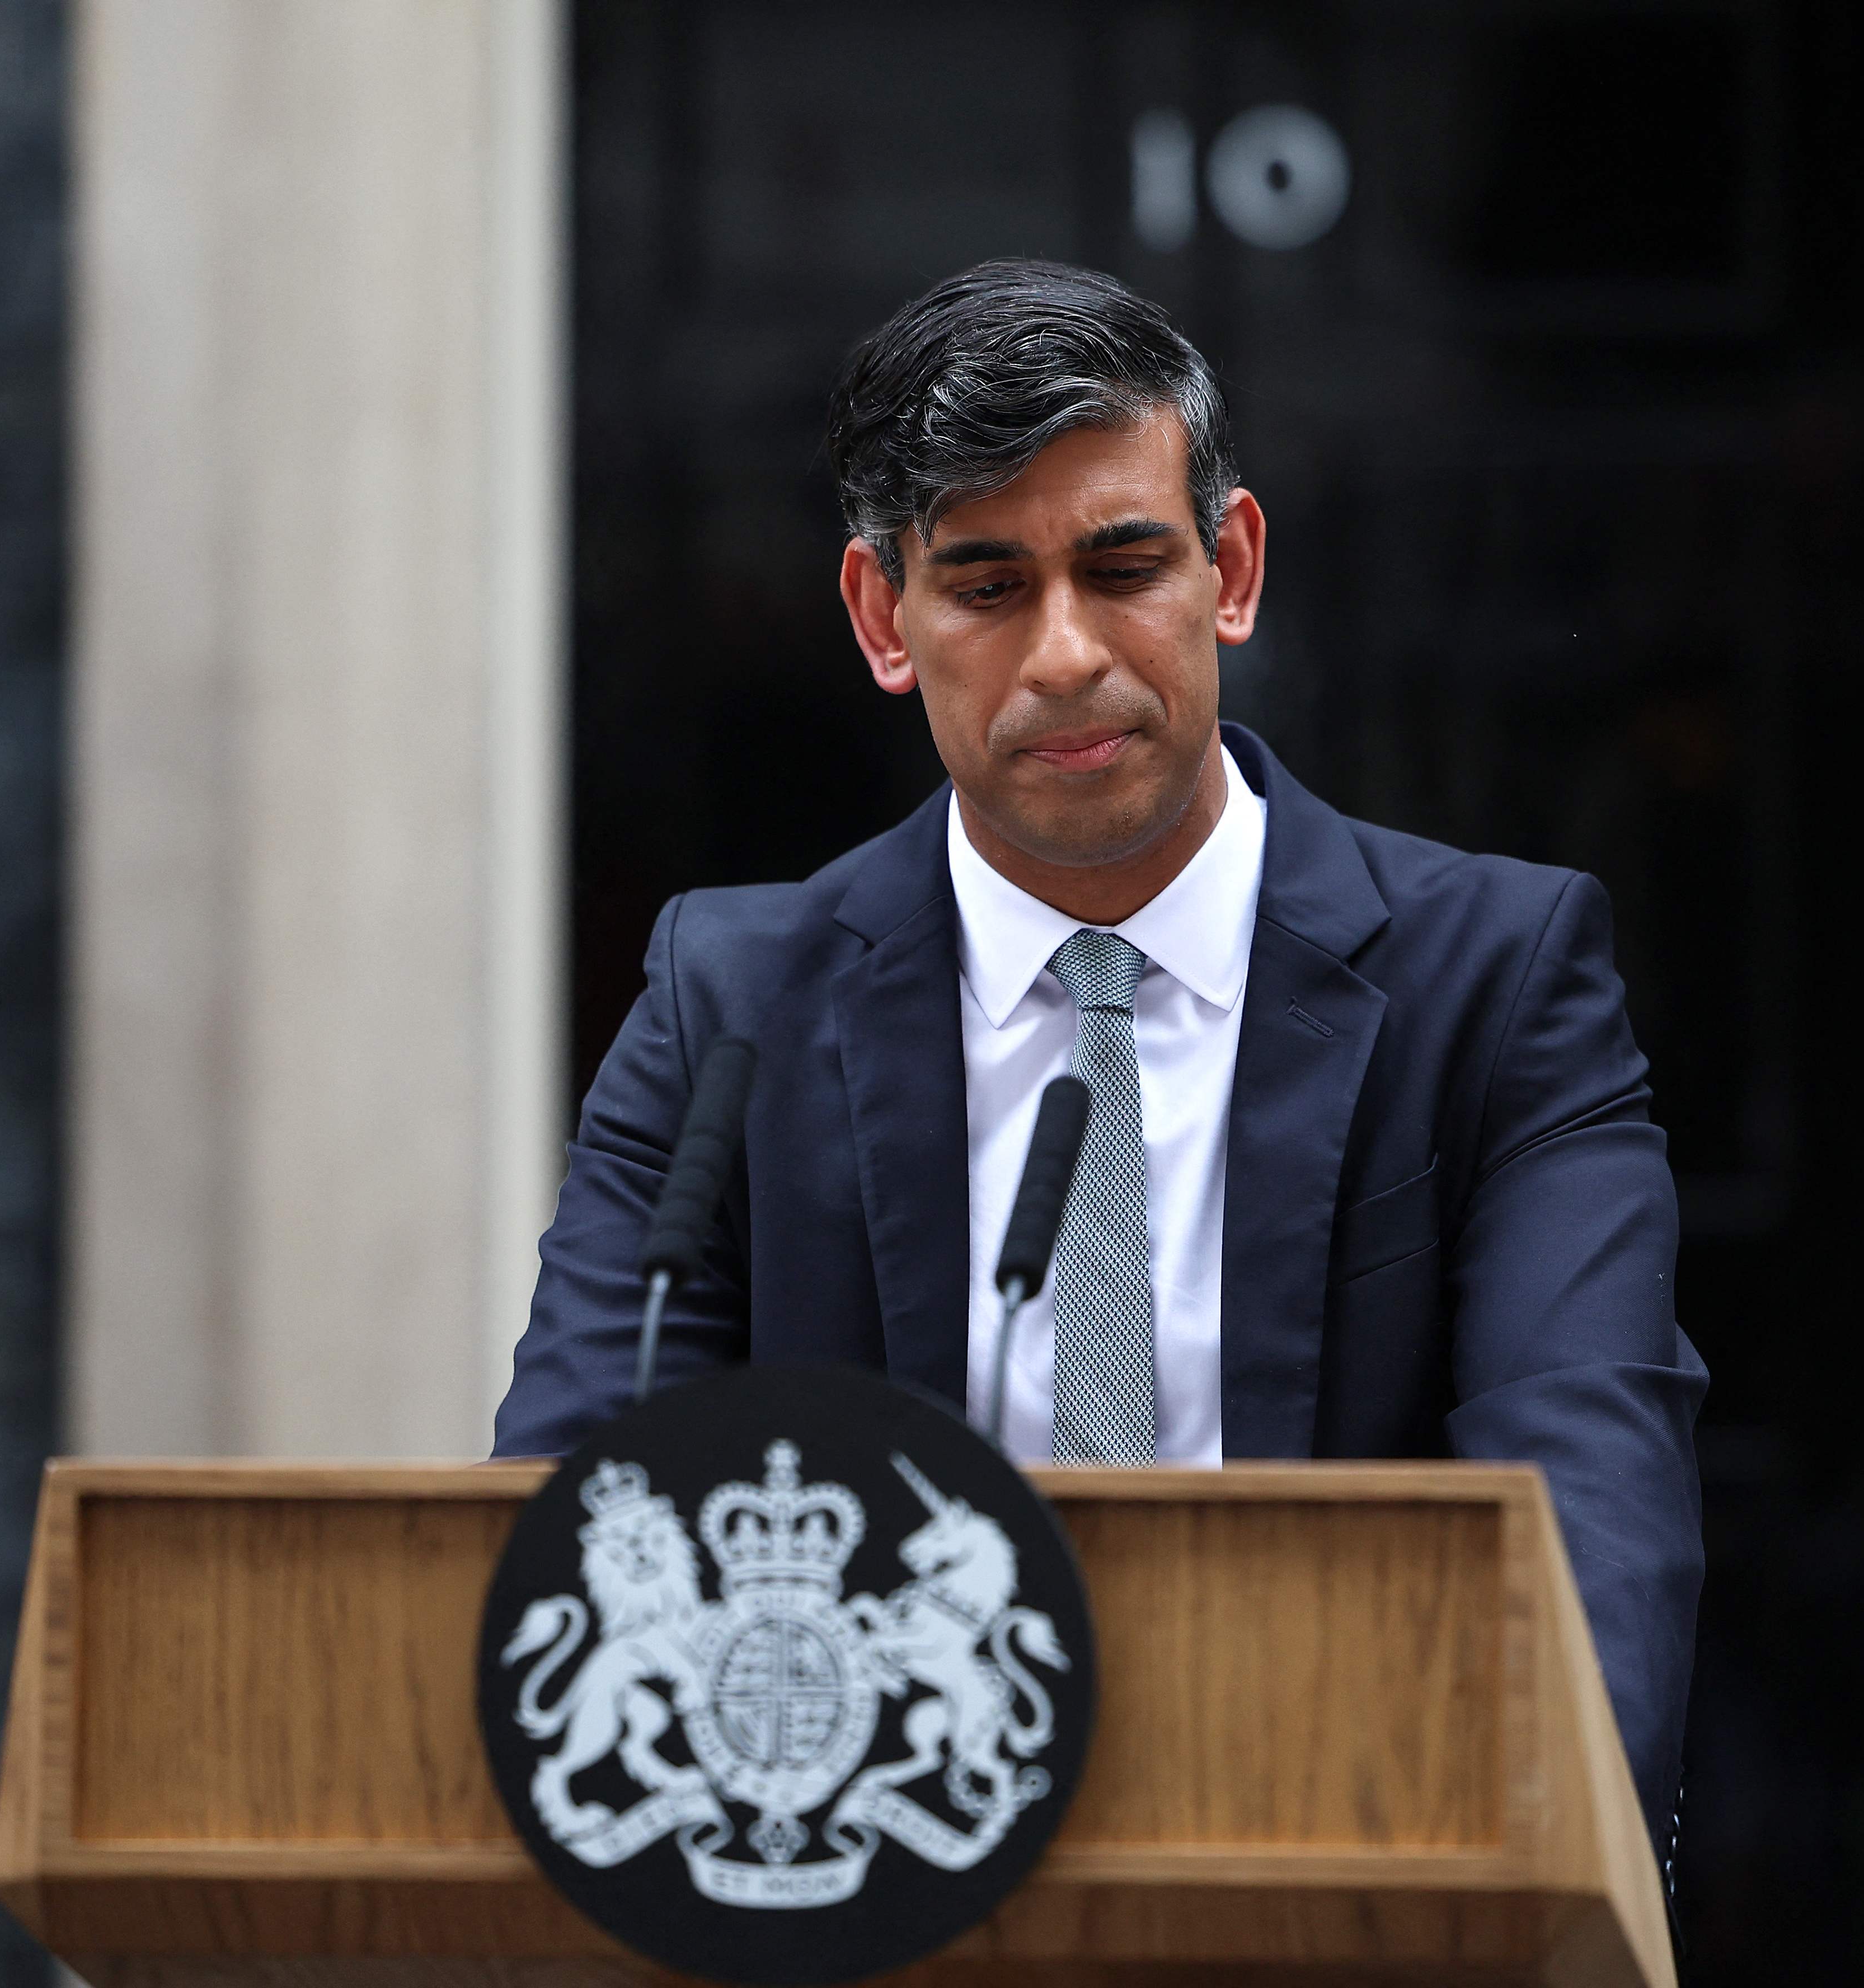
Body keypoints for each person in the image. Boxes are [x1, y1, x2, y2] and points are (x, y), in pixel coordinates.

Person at [495, 259, 1706, 1859]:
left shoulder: (1495, 984)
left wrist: (1524, 1859)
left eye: (1123, 564)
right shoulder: (731, 1007)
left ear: (1232, 569)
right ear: (884, 618)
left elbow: (1587, 1517)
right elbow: (581, 1518)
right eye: (989, 587)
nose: (1065, 654)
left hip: (1352, 1889)